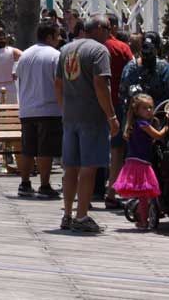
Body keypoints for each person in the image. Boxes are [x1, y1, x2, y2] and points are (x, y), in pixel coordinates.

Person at [56, 16, 119, 234]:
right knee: (89, 167)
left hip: (71, 116)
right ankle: (82, 216)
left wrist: (64, 108)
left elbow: (58, 83)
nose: (111, 33)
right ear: (100, 29)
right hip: (92, 116)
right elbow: (101, 84)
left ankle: (67, 214)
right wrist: (111, 116)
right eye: (109, 28)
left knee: (70, 167)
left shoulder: (66, 50)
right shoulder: (99, 52)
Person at [15, 21, 63, 199]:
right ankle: (44, 184)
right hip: (49, 108)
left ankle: (25, 183)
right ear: (49, 36)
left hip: (27, 109)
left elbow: (17, 75)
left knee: (28, 149)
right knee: (46, 150)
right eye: (57, 35)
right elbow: (59, 82)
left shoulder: (25, 55)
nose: (59, 39)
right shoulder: (55, 56)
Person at [94, 15, 134, 209]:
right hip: (117, 102)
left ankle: (90, 189)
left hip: (93, 103)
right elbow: (132, 72)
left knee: (92, 147)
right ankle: (111, 192)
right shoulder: (121, 48)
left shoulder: (88, 49)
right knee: (116, 150)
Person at [113, 94, 167, 228]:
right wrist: (168, 126)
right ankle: (143, 219)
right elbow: (158, 136)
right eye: (145, 108)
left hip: (133, 160)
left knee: (143, 194)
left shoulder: (134, 124)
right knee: (145, 192)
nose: (149, 111)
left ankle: (141, 216)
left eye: (150, 108)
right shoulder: (142, 124)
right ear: (136, 111)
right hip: (141, 162)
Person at [119, 32, 169, 109]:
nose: (147, 53)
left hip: (157, 115)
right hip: (135, 116)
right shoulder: (131, 67)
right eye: (145, 48)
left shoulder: (163, 67)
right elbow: (123, 93)